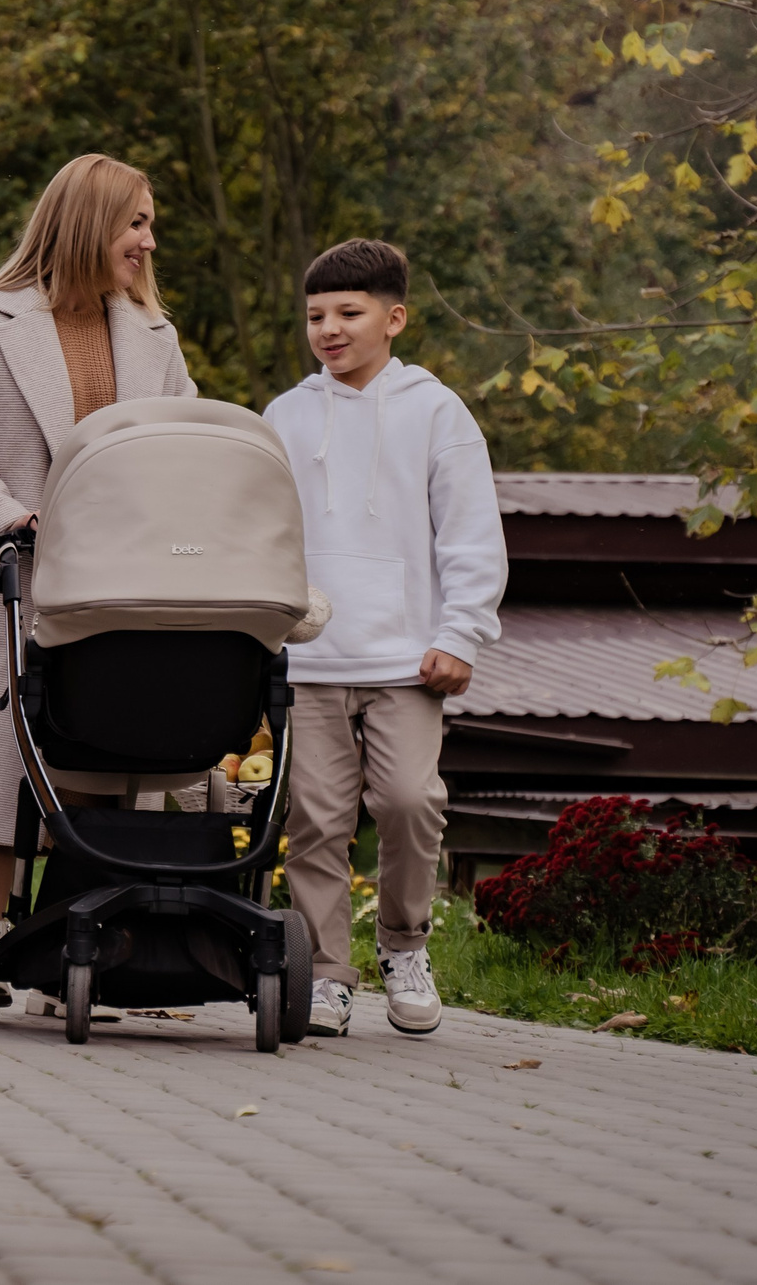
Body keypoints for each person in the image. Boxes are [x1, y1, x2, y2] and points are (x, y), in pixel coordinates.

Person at [0, 154, 196, 944]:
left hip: (119, 581)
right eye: (136, 222)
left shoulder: (155, 337)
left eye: (150, 225)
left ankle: (84, 938)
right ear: (88, 222)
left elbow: (186, 445)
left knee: (107, 751)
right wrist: (5, 516)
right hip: (10, 577)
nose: (149, 241)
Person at [262, 238, 505, 1037]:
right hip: (309, 657)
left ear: (394, 318)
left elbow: (469, 533)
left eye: (348, 312)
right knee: (315, 819)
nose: (328, 329)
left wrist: (461, 633)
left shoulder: (437, 412)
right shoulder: (285, 416)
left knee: (408, 800)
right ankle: (327, 972)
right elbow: (259, 528)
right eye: (315, 316)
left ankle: (404, 945)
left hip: (409, 660)